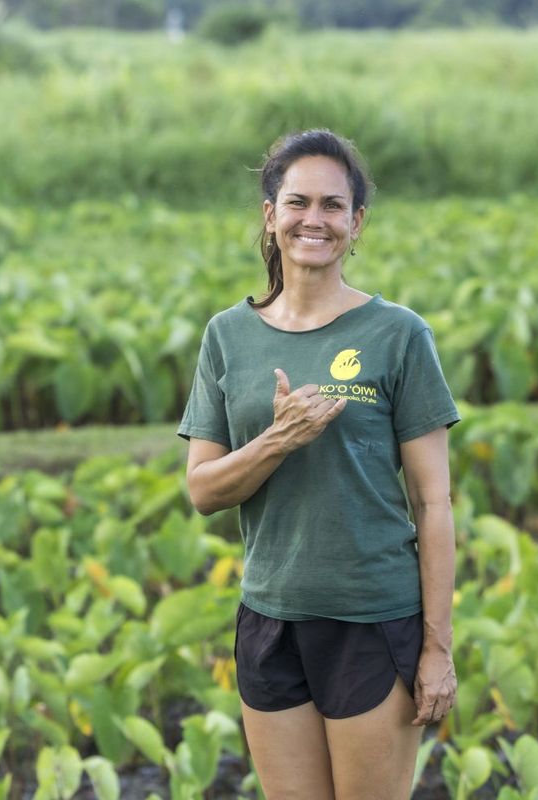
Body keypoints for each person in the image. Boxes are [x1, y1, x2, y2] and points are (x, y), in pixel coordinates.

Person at [175, 129, 461, 799]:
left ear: (356, 224)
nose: (315, 219)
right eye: (298, 202)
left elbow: (433, 504)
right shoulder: (227, 336)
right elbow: (203, 490)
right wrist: (279, 439)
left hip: (372, 619)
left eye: (333, 205)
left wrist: (437, 648)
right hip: (269, 617)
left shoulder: (398, 334)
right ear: (270, 215)